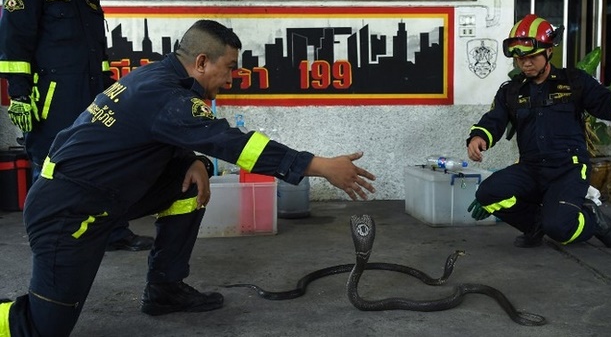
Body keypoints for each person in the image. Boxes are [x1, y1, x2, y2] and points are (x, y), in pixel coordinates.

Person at [0, 19, 376, 336]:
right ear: (201, 62)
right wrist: (321, 165)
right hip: (67, 212)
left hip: (102, 197)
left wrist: (191, 159)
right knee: (42, 328)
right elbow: (235, 144)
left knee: (187, 187)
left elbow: (157, 132)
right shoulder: (168, 96)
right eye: (229, 68)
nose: (231, 78)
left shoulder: (157, 78)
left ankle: (164, 289)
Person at [0, 0, 153, 252]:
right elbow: (14, 47)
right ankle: (48, 238)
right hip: (52, 99)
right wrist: (18, 95)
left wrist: (111, 94)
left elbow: (100, 54)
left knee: (104, 161)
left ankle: (113, 233)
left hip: (93, 96)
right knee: (51, 166)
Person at [465, 13, 611, 249]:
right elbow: (494, 119)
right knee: (488, 193)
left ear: (549, 51)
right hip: (531, 168)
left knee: (560, 229)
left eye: (531, 58)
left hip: (568, 169)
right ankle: (535, 225)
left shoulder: (574, 82)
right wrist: (479, 137)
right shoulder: (511, 90)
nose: (525, 64)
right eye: (519, 60)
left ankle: (592, 220)